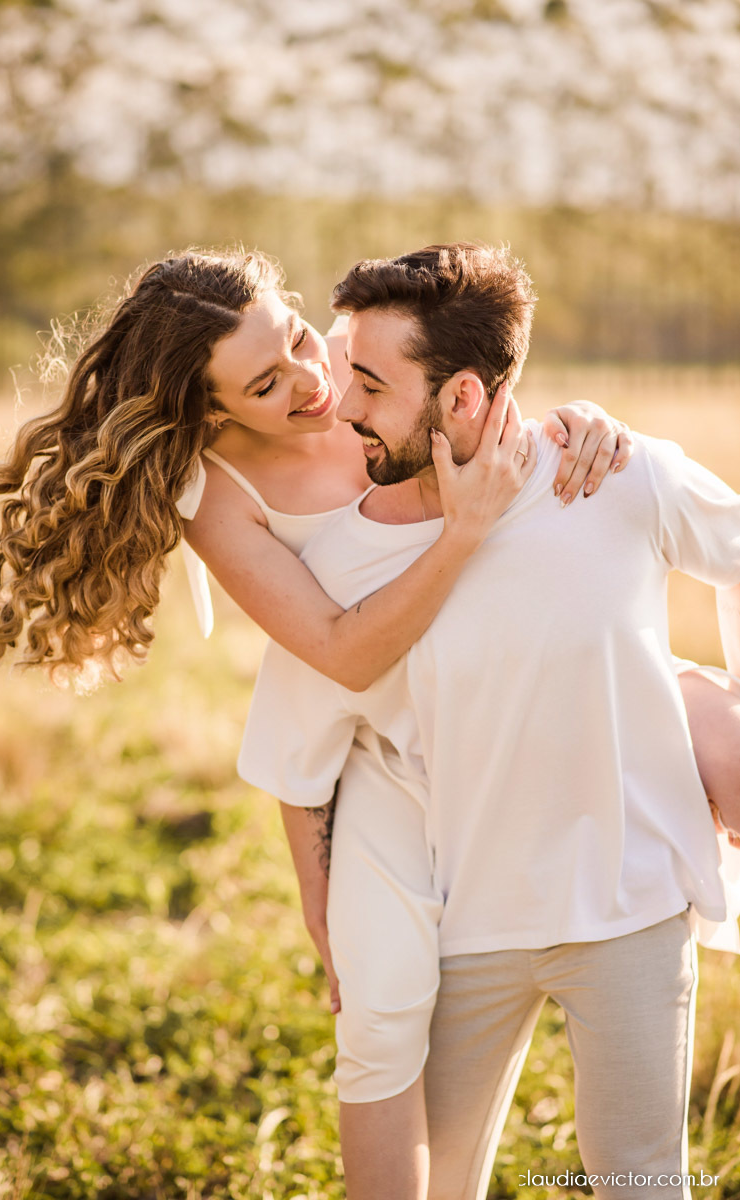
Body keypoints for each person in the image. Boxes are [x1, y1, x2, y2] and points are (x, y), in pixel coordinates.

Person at [237, 243, 740, 1200]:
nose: (344, 408)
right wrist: (327, 923)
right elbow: (296, 757)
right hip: (461, 925)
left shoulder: (617, 475)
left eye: (372, 386)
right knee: (441, 1186)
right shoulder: (346, 563)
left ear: (462, 397)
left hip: (631, 911)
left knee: (642, 1185)